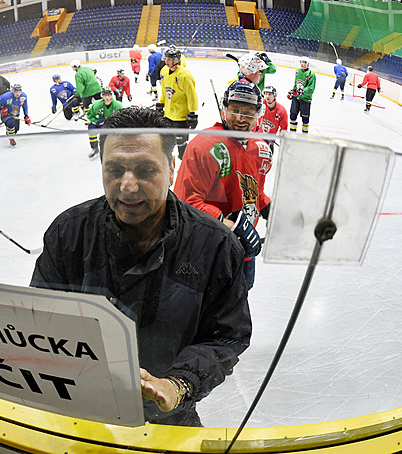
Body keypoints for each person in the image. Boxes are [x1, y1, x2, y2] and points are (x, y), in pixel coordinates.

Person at [30, 106, 251, 427]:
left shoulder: (214, 245)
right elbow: (41, 317)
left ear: (172, 168)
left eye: (145, 170)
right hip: (82, 409)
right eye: (115, 169)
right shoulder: (69, 232)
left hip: (171, 416)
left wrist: (179, 384)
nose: (128, 185)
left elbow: (227, 336)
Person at [173, 81, 272, 290]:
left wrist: (266, 207)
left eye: (248, 112)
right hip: (207, 248)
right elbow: (185, 203)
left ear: (258, 115)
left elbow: (253, 190)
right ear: (224, 109)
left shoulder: (260, 149)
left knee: (240, 297)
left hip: (244, 248)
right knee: (206, 307)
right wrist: (232, 227)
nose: (240, 118)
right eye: (234, 110)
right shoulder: (205, 146)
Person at [157, 46, 198, 160]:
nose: (166, 62)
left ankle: (184, 164)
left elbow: (191, 95)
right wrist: (161, 104)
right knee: (166, 141)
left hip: (181, 116)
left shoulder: (185, 75)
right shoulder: (164, 71)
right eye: (165, 59)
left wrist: (192, 113)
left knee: (182, 144)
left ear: (176, 60)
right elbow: (164, 90)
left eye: (169, 59)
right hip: (169, 114)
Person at [84, 87, 123, 159]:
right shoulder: (96, 105)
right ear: (102, 96)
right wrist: (96, 122)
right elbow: (89, 115)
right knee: (91, 129)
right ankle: (94, 148)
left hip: (112, 124)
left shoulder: (118, 105)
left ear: (112, 95)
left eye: (109, 95)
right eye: (105, 95)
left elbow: (122, 117)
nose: (107, 97)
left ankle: (115, 148)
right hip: (99, 124)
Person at [254, 86, 288, 154]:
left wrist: (282, 141)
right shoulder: (260, 105)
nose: (267, 96)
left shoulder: (281, 111)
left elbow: (284, 128)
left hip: (270, 142)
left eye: (270, 94)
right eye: (266, 94)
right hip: (257, 140)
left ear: (275, 96)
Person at [288, 56, 316, 134]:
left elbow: (311, 88)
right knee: (292, 116)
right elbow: (296, 84)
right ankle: (292, 134)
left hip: (305, 99)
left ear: (308, 64)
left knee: (305, 119)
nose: (302, 64)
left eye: (304, 62)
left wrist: (302, 91)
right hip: (296, 98)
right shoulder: (297, 71)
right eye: (301, 62)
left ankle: (304, 136)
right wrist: (292, 91)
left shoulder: (311, 74)